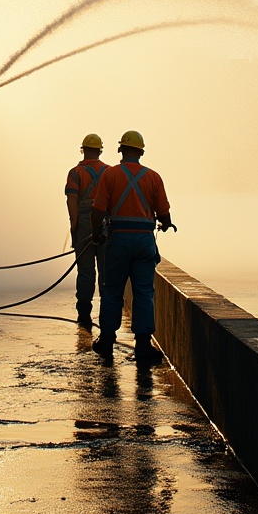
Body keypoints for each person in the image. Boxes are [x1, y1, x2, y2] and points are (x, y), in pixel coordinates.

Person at [90, 130, 174, 366]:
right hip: (144, 243)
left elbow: (98, 211)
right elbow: (164, 213)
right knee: (144, 293)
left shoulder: (110, 175)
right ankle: (143, 345)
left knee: (113, 290)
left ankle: (106, 340)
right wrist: (166, 224)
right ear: (141, 152)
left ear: (121, 150)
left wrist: (96, 235)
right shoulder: (153, 177)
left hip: (118, 242)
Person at [64, 133, 110, 330]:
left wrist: (74, 229)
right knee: (106, 273)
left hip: (83, 225)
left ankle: (84, 316)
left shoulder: (75, 173)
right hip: (105, 224)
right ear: (100, 150)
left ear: (83, 150)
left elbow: (71, 201)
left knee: (85, 272)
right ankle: (107, 315)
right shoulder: (110, 172)